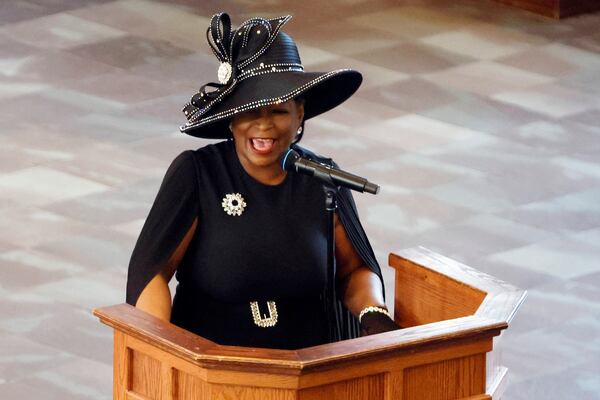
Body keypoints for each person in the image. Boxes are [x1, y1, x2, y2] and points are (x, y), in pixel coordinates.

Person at [126, 12, 398, 350]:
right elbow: (152, 271)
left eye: (278, 111)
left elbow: (355, 269)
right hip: (214, 368)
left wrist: (373, 313)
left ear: (300, 114)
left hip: (308, 367)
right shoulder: (198, 174)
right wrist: (165, 352)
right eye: (250, 110)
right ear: (230, 119)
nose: (264, 125)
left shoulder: (324, 179)